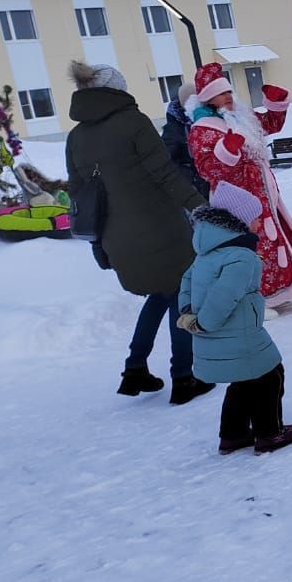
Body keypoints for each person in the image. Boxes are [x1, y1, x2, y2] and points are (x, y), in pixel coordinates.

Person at [64, 61, 215, 406]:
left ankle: (135, 369)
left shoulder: (75, 137)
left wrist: (99, 240)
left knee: (159, 294)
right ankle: (184, 377)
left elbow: (77, 192)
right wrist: (199, 206)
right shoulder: (133, 122)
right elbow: (165, 173)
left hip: (116, 236)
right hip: (159, 228)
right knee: (180, 293)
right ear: (115, 90)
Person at [177, 182, 292, 455]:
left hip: (225, 335)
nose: (259, 222)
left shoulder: (207, 251)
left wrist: (187, 311)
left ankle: (232, 435)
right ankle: (270, 433)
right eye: (254, 217)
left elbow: (187, 281)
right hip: (239, 333)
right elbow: (224, 296)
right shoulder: (242, 257)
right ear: (239, 221)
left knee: (244, 380)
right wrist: (204, 323)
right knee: (270, 374)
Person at [188, 63, 292, 309]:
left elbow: (269, 124)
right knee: (252, 247)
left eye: (229, 91)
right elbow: (207, 168)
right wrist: (227, 150)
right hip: (238, 199)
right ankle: (257, 300)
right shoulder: (201, 129)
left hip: (263, 193)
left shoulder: (240, 116)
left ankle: (280, 291)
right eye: (221, 93)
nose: (228, 96)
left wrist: (276, 105)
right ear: (207, 98)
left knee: (274, 242)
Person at [162, 81, 208, 198]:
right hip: (195, 184)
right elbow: (167, 159)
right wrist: (190, 174)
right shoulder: (174, 128)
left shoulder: (207, 117)